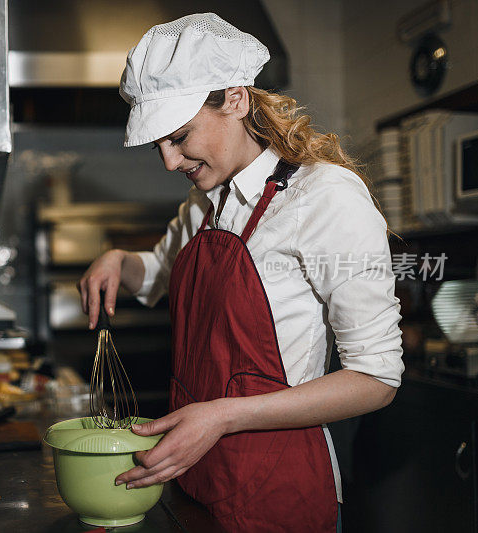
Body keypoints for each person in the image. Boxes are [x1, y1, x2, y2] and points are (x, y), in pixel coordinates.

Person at [77, 13, 403, 532]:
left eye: (179, 136)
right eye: (158, 144)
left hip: (281, 493)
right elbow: (158, 273)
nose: (168, 161)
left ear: (235, 98)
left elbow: (376, 378)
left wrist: (225, 414)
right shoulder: (204, 204)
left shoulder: (325, 197)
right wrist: (120, 260)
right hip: (197, 484)